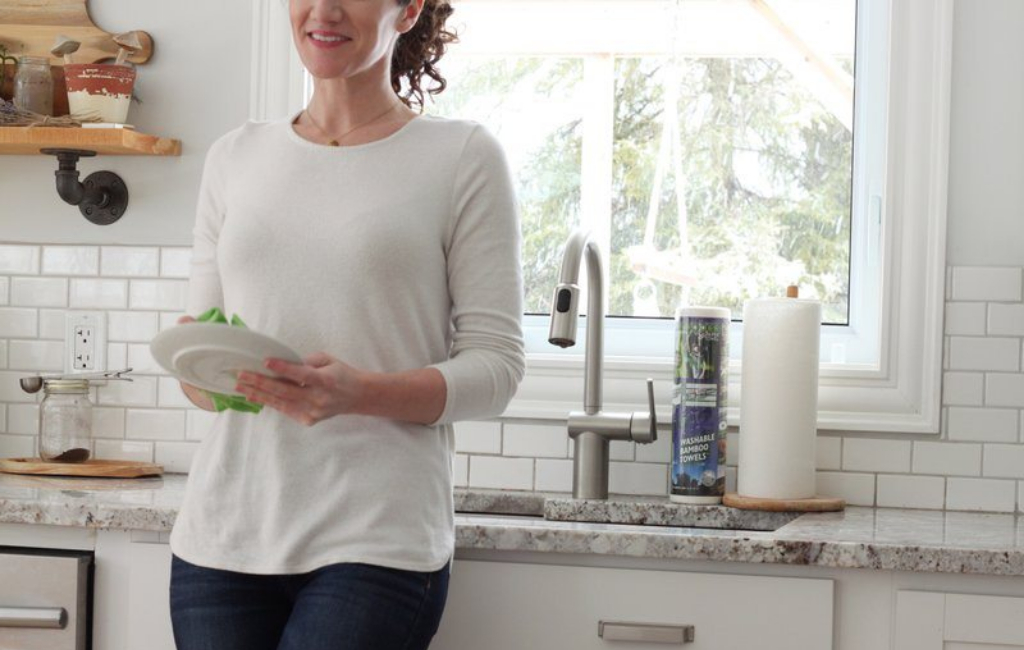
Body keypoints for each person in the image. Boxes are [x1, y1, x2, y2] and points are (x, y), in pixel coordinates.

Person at [167, 0, 525, 647]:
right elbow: (205, 343)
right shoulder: (234, 157)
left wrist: (359, 393)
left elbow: (496, 368)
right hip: (222, 536)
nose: (323, 10)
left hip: (377, 541)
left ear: (408, 8)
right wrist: (206, 373)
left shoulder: (461, 157)